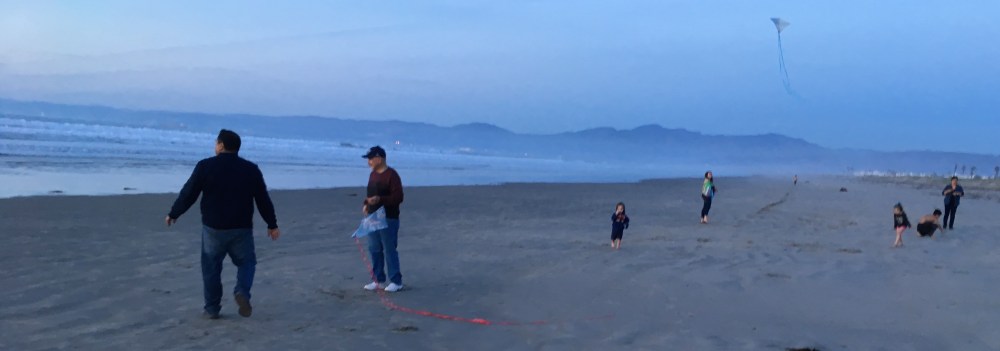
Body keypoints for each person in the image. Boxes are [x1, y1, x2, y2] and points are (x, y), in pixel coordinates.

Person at [166, 129, 281, 320]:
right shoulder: (250, 169)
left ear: (220, 145)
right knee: (247, 263)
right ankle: (242, 291)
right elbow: (263, 199)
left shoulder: (205, 166)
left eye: (215, 143)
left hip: (213, 228)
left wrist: (174, 213)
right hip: (241, 228)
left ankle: (212, 308)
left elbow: (190, 192)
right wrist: (272, 224)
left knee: (211, 268)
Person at [361, 146, 405, 293]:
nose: (369, 162)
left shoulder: (392, 175)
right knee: (374, 249)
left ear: (379, 158)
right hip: (373, 219)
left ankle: (396, 281)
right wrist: (366, 205)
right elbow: (369, 195)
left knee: (389, 249)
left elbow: (398, 197)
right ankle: (378, 280)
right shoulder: (373, 175)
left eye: (371, 159)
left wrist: (380, 199)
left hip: (388, 218)